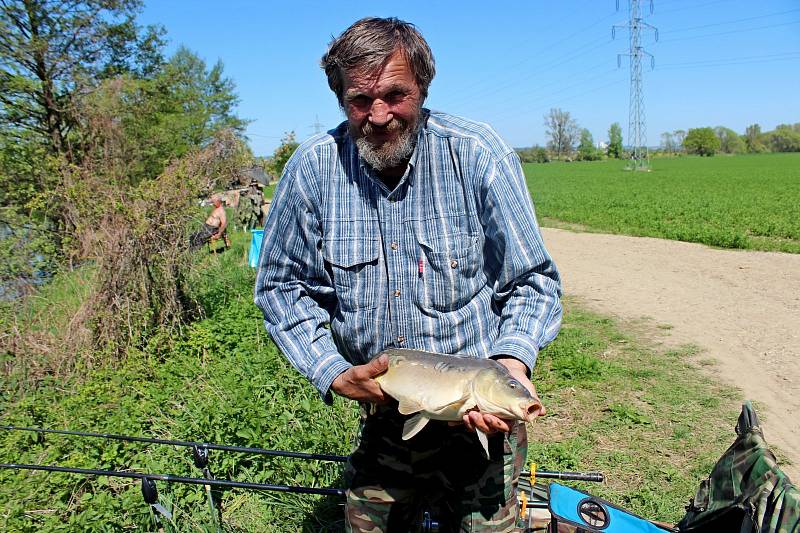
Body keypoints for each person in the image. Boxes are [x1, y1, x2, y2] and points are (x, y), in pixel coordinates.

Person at [254, 17, 562, 532]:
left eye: (395, 95)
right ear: (341, 100)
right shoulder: (313, 169)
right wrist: (331, 370)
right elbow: (280, 289)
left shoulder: (478, 155)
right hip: (387, 419)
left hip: (479, 420)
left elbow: (533, 281)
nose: (377, 115)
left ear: (422, 88)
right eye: (358, 100)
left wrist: (509, 367)